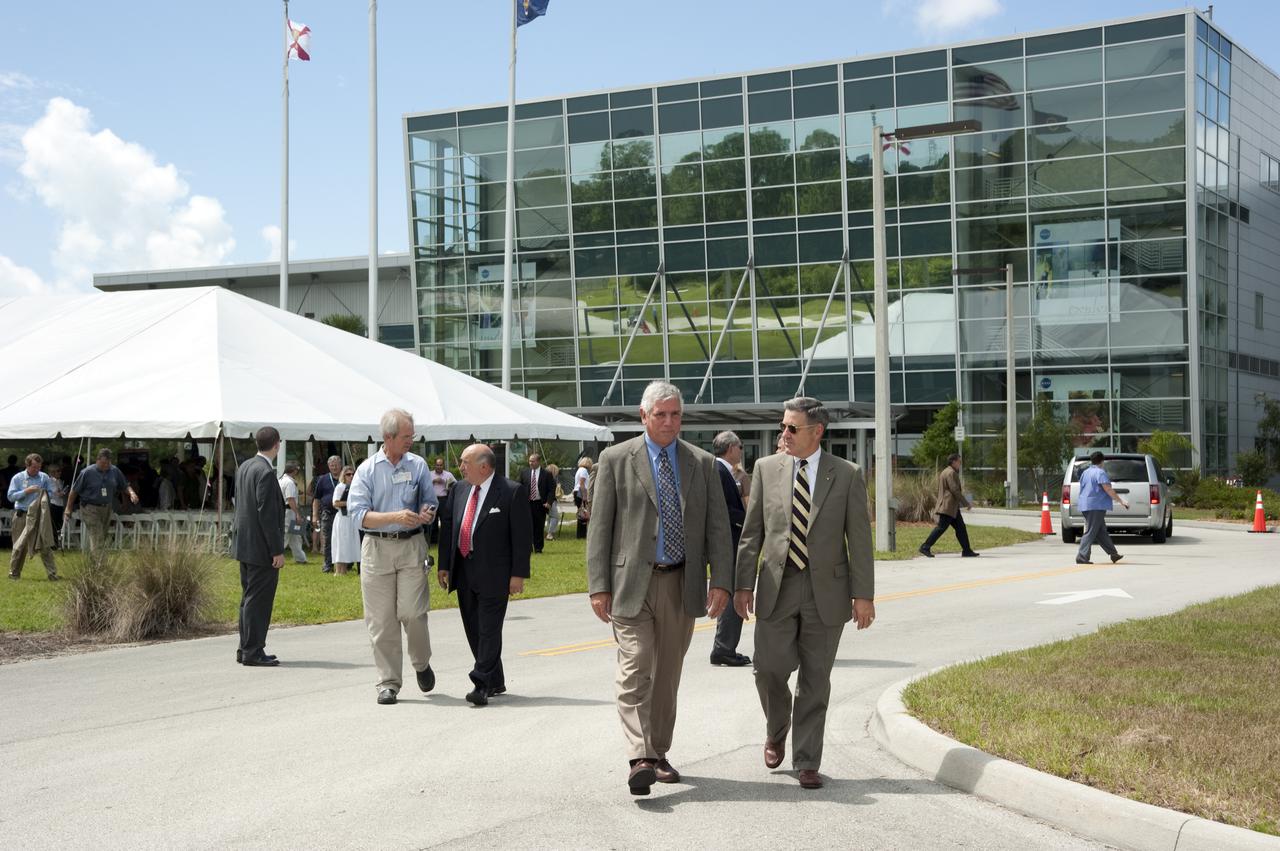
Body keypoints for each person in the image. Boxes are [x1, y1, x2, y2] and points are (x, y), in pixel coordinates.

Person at [586, 380, 733, 796]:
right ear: (644, 416)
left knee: (667, 675)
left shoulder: (702, 463)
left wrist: (721, 580)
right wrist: (598, 585)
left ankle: (659, 752)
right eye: (661, 414)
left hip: (681, 584)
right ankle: (639, 756)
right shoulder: (615, 459)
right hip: (630, 583)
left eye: (675, 415)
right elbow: (599, 529)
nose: (669, 422)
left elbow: (718, 528)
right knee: (635, 667)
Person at [734, 396, 875, 790]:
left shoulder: (846, 474)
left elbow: (859, 540)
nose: (784, 434)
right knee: (768, 669)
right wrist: (744, 584)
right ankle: (777, 728)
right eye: (783, 426)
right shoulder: (765, 469)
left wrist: (863, 594)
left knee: (816, 678)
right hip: (777, 586)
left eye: (792, 428)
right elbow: (752, 535)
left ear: (817, 432)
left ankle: (808, 760)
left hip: (826, 591)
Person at [347, 409, 438, 706]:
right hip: (377, 549)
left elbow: (431, 501)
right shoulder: (367, 470)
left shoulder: (419, 465)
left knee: (413, 613)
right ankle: (388, 683)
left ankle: (421, 663)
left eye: (412, 435)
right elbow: (358, 515)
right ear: (388, 437)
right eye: (406, 436)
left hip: (411, 547)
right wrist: (394, 516)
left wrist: (426, 512)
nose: (412, 440)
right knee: (381, 621)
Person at [438, 444, 531, 706]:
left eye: (465, 462)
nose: (461, 467)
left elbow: (522, 539)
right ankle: (496, 679)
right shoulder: (459, 489)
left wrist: (518, 575)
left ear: (484, 466)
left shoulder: (511, 492)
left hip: (496, 574)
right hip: (464, 569)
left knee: (489, 629)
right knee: (474, 629)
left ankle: (481, 683)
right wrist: (444, 565)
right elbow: (449, 529)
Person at [232, 427, 286, 667]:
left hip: (244, 542)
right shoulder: (265, 472)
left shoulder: (245, 467)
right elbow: (267, 514)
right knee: (258, 600)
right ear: (276, 445)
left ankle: (245, 647)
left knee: (248, 598)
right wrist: (276, 550)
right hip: (260, 547)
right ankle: (253, 650)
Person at [709, 431, 751, 668]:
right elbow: (720, 510)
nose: (741, 451)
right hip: (728, 544)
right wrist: (748, 519)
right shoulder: (718, 470)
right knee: (733, 595)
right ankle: (724, 649)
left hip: (729, 542)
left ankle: (725, 647)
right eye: (740, 446)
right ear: (731, 448)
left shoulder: (723, 470)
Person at [65, 448, 139, 556]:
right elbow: (74, 491)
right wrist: (68, 508)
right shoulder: (87, 472)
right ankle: (101, 566)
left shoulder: (114, 471)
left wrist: (132, 493)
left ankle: (93, 562)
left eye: (108, 463)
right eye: (103, 463)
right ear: (97, 460)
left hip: (106, 508)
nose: (105, 466)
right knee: (97, 535)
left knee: (101, 537)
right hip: (89, 508)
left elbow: (124, 485)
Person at [7, 454, 59, 581]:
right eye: (34, 467)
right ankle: (14, 573)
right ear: (27, 465)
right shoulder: (18, 478)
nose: (37, 470)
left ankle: (52, 574)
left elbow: (51, 493)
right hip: (22, 515)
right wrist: (26, 491)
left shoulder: (44, 477)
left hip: (39, 516)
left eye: (39, 467)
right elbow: (10, 496)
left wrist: (45, 495)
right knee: (20, 545)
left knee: (45, 544)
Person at [919, 454, 980, 558]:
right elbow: (954, 490)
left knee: (961, 528)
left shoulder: (946, 471)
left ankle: (967, 550)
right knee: (941, 528)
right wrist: (966, 503)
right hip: (947, 506)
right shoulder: (950, 473)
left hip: (952, 508)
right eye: (959, 462)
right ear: (953, 462)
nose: (960, 464)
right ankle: (925, 547)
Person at [1076, 451, 1128, 565]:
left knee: (1101, 531)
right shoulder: (1100, 473)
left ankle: (1113, 554)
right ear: (1102, 461)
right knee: (1091, 531)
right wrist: (1121, 501)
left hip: (1086, 505)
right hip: (1096, 506)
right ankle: (1082, 556)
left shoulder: (1086, 472)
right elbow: (1108, 489)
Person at [518, 452, 555, 554]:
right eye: (529, 461)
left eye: (533, 461)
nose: (530, 463)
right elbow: (519, 487)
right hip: (527, 503)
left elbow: (551, 489)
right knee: (527, 526)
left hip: (540, 504)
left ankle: (538, 548)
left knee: (539, 526)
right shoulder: (524, 472)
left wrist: (549, 502)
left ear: (538, 462)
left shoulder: (546, 474)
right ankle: (528, 548)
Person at [312, 455, 342, 573]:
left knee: (343, 540)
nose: (334, 468)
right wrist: (315, 515)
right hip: (327, 514)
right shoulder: (323, 479)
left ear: (341, 465)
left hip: (343, 514)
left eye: (336, 465)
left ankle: (346, 564)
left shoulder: (346, 477)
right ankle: (328, 564)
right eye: (331, 465)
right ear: (329, 466)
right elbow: (316, 499)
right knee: (328, 540)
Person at [277, 462, 310, 565]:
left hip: (284, 511)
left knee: (295, 535)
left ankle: (300, 558)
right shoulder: (289, 482)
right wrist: (297, 514)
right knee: (285, 535)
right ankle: (274, 556)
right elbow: (290, 499)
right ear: (294, 471)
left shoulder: (281, 480)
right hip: (289, 512)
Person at [331, 466, 360, 575]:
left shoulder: (354, 487)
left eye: (353, 474)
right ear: (343, 476)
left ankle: (344, 570)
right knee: (341, 544)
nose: (351, 476)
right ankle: (338, 571)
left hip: (351, 519)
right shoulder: (340, 487)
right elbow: (335, 503)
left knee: (349, 544)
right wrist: (350, 503)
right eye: (348, 474)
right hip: (342, 518)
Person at [428, 457, 456, 544]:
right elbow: (424, 485)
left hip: (444, 499)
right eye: (437, 465)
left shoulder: (448, 474)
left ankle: (445, 539)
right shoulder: (429, 474)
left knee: (445, 520)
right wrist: (433, 481)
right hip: (432, 500)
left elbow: (455, 485)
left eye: (440, 465)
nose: (439, 467)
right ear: (434, 465)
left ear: (443, 465)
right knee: (433, 520)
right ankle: (433, 541)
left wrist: (445, 483)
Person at [47, 463, 68, 547]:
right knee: (53, 525)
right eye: (58, 471)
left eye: (60, 471)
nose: (60, 473)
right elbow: (57, 493)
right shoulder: (50, 481)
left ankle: (57, 543)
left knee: (59, 524)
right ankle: (53, 544)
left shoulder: (60, 481)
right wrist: (62, 492)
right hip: (53, 504)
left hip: (60, 505)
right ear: (52, 472)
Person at [573, 457, 593, 539]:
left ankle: (581, 534)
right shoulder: (584, 471)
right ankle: (582, 535)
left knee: (581, 513)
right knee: (583, 513)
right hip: (581, 492)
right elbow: (582, 483)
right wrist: (585, 496)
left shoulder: (579, 470)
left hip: (577, 492)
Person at [544, 463, 562, 540]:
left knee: (550, 517)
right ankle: (550, 534)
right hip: (550, 501)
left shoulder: (545, 478)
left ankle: (548, 532)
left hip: (548, 500)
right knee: (555, 517)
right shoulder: (552, 480)